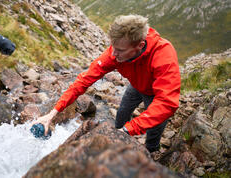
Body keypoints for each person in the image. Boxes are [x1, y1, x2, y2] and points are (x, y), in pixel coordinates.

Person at [31, 14, 180, 153]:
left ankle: (151, 152)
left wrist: (129, 129)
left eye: (120, 50)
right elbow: (82, 81)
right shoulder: (114, 53)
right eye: (112, 47)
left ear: (140, 46)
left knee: (154, 129)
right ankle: (119, 142)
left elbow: (167, 103)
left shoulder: (163, 54)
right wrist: (52, 113)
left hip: (155, 93)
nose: (113, 54)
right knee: (122, 113)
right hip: (136, 85)